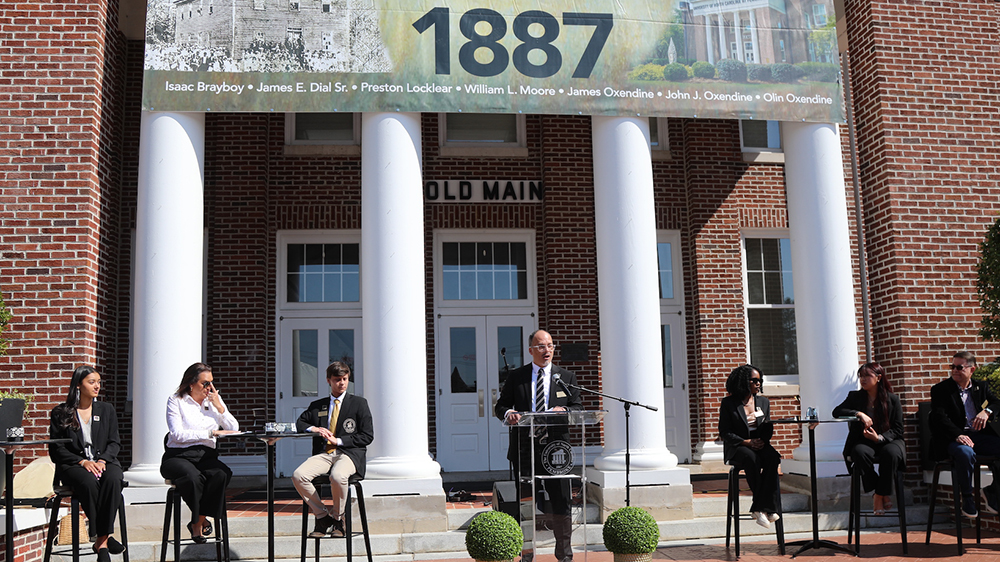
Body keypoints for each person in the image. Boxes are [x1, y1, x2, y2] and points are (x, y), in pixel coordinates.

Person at [494, 329, 583, 562]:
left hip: (556, 452)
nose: (547, 350)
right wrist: (509, 413)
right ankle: (526, 554)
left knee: (561, 502)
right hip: (525, 449)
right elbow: (500, 406)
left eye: (550, 345)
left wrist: (565, 410)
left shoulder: (566, 377)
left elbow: (578, 408)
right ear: (531, 350)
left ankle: (564, 555)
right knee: (525, 503)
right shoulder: (517, 377)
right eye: (541, 346)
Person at [49, 366, 127, 561]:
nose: (97, 386)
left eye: (99, 382)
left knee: (113, 479)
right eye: (92, 382)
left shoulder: (106, 410)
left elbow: (114, 442)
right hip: (74, 465)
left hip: (104, 461)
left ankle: (100, 540)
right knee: (89, 482)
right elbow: (57, 449)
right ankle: (105, 538)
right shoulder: (60, 412)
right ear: (78, 385)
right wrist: (82, 461)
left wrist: (102, 460)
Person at [160, 362, 240, 544]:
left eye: (211, 382)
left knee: (221, 473)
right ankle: (200, 523)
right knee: (193, 478)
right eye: (205, 383)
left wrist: (220, 408)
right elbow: (177, 434)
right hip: (179, 455)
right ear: (191, 383)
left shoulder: (214, 401)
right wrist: (210, 433)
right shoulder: (176, 400)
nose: (209, 387)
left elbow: (234, 428)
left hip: (205, 455)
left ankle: (197, 520)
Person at [293, 361, 374, 538]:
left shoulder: (359, 403)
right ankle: (322, 517)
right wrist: (315, 428)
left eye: (345, 379)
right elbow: (300, 423)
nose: (342, 383)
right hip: (325, 453)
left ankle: (339, 519)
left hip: (349, 453)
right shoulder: (318, 405)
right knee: (299, 476)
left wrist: (338, 440)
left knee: (337, 476)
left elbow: (367, 436)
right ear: (328, 380)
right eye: (337, 379)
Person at [930, 351, 1000, 518]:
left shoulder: (980, 387)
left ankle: (992, 490)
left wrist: (987, 412)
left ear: (972, 370)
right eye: (952, 367)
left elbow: (997, 403)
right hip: (952, 438)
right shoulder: (941, 390)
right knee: (965, 452)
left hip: (978, 436)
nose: (955, 370)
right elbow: (939, 417)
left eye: (959, 367)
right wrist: (957, 435)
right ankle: (968, 498)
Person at [832, 362, 905, 515]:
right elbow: (837, 412)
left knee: (891, 454)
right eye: (860, 376)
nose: (863, 379)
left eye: (867, 376)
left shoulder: (893, 399)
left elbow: (898, 429)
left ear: (878, 378)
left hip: (889, 440)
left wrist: (879, 438)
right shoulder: (855, 397)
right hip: (864, 441)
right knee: (859, 452)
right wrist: (858, 414)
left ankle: (878, 495)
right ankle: (880, 490)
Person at [718, 364, 781, 529]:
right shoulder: (729, 403)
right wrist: (746, 442)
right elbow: (724, 432)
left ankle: (759, 508)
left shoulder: (763, 402)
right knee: (751, 458)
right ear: (743, 382)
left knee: (773, 458)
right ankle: (766, 508)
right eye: (754, 380)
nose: (758, 384)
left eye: (760, 380)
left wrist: (762, 441)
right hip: (738, 445)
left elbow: (768, 427)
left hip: (759, 442)